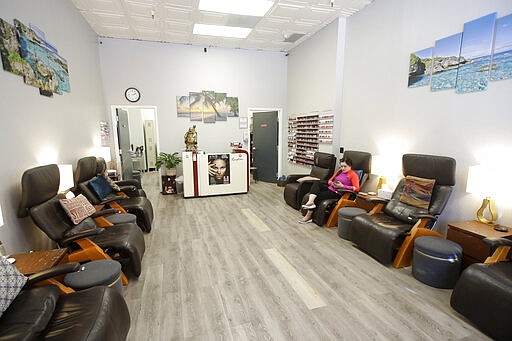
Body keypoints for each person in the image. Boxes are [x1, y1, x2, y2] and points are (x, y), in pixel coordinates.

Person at [299, 157, 360, 224]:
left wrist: (342, 186)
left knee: (317, 196)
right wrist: (333, 183)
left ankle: (308, 217)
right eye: (341, 166)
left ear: (350, 166)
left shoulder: (353, 175)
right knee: (317, 183)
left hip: (336, 193)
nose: (342, 168)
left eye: (345, 166)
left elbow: (356, 188)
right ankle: (310, 202)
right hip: (330, 188)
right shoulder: (339, 171)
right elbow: (329, 181)